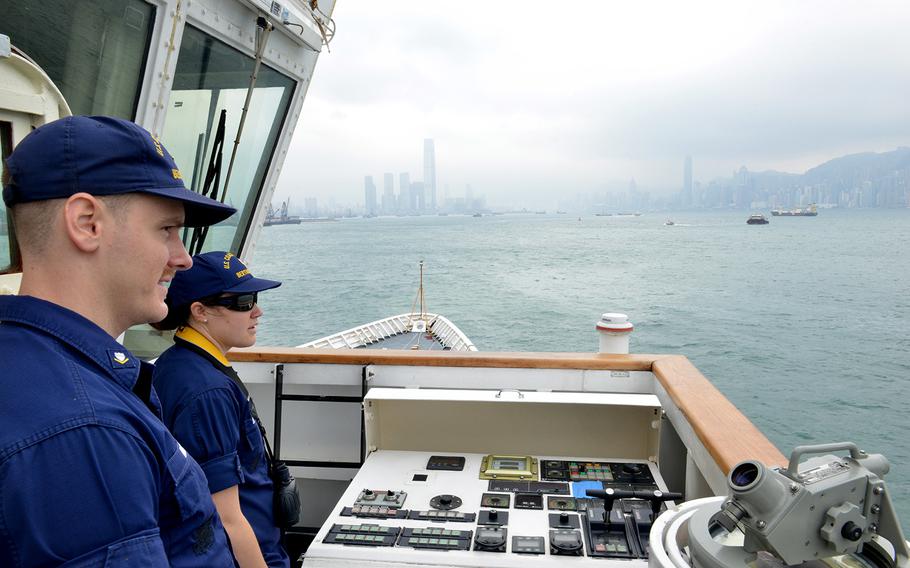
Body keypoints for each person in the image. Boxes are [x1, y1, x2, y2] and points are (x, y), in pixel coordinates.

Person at [0, 116, 238, 566]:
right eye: (166, 229)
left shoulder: (31, 367)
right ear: (87, 222)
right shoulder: (83, 430)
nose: (183, 258)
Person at [152, 251, 290, 568]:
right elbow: (225, 518)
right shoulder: (206, 391)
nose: (257, 311)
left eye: (254, 298)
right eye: (242, 303)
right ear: (200, 311)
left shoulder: (179, 364)